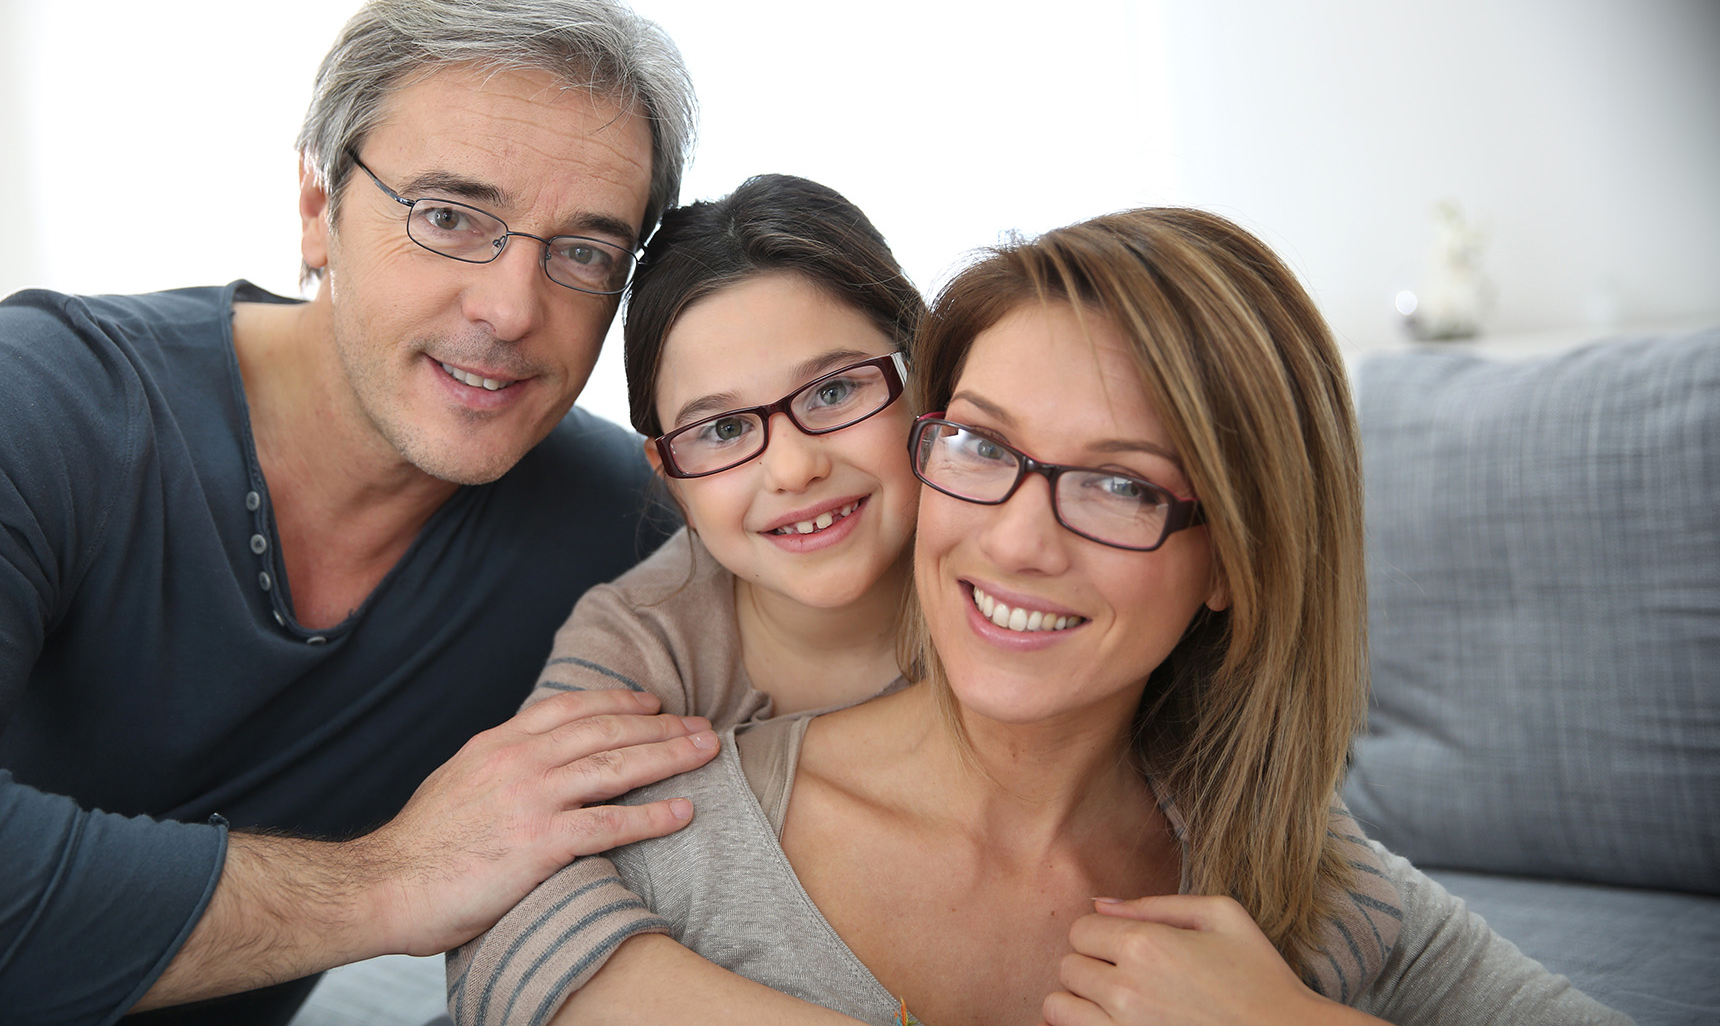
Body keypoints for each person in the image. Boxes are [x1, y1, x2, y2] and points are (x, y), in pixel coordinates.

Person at [0, 0, 727, 1023]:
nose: (513, 308)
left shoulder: (612, 520)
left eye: (582, 252)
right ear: (315, 206)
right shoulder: (42, 397)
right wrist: (391, 881)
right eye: (449, 217)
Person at [500, 209, 1633, 1024]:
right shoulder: (667, 787)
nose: (1018, 541)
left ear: (1237, 556)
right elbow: (501, 892)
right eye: (985, 446)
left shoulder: (1298, 876)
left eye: (1121, 485)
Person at [448, 172, 926, 1023]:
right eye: (723, 430)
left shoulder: (1010, 566)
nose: (793, 468)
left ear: (919, 379)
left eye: (833, 391)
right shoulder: (640, 634)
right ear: (669, 476)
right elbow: (499, 905)